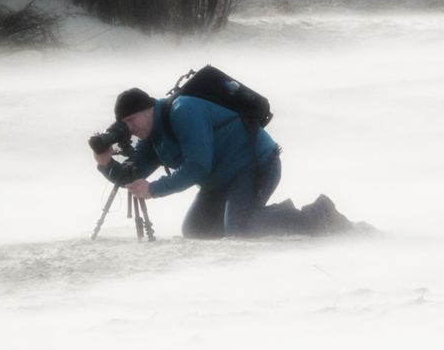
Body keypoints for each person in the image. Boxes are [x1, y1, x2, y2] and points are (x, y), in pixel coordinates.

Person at [94, 87, 353, 238]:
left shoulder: (183, 111)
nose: (130, 128)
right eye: (124, 124)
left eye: (131, 120)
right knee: (196, 231)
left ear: (148, 108)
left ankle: (319, 213)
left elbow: (197, 167)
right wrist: (105, 163)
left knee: (240, 229)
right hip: (219, 181)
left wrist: (154, 189)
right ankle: (271, 215)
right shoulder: (153, 137)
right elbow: (131, 176)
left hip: (256, 165)